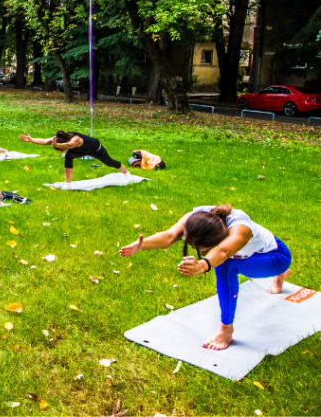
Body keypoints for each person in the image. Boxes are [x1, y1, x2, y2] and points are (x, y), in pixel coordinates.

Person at [118, 204, 292, 350]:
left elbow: (223, 251)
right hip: (254, 253)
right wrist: (141, 245)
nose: (199, 252)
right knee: (226, 261)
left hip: (276, 256)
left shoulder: (241, 228)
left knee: (226, 265)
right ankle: (280, 276)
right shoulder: (198, 218)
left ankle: (226, 330)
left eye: (202, 249)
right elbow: (170, 236)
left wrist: (202, 266)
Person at [19, 130, 128, 183]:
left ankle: (125, 172)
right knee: (68, 157)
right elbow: (44, 141)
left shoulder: (75, 139)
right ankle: (68, 183)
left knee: (109, 162)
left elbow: (68, 145)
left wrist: (59, 145)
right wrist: (31, 140)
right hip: (79, 151)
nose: (61, 150)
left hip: (94, 148)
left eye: (60, 149)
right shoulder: (58, 139)